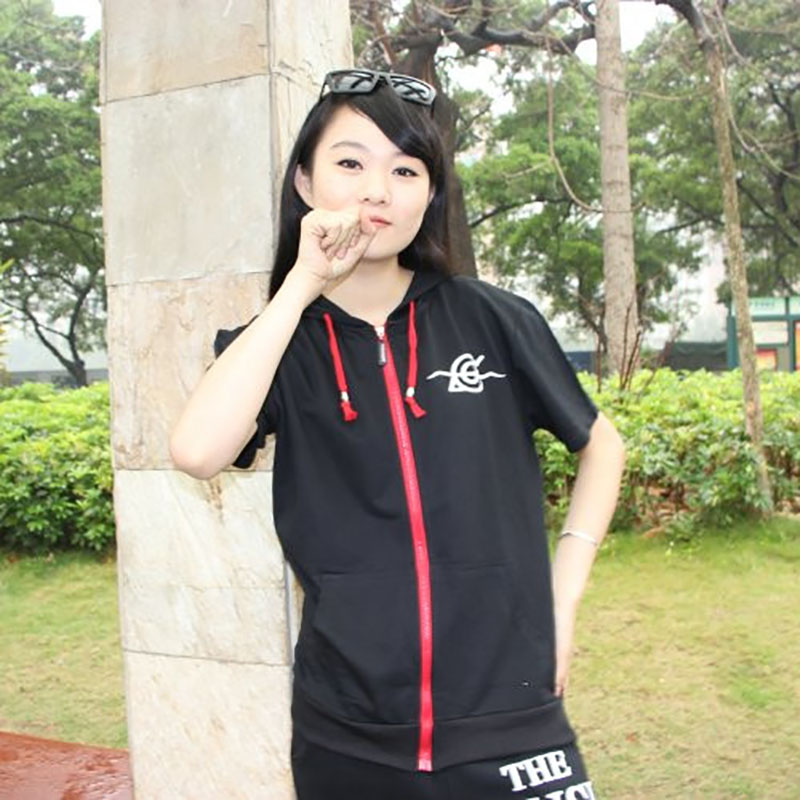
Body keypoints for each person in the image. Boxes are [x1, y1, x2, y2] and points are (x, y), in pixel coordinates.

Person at [169, 68, 626, 800]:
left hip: (512, 713)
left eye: (406, 170)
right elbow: (197, 452)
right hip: (347, 729)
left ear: (430, 194)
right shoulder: (279, 342)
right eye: (350, 163)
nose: (378, 190)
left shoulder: (493, 319)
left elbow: (601, 444)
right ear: (305, 182)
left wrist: (561, 599)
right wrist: (301, 286)